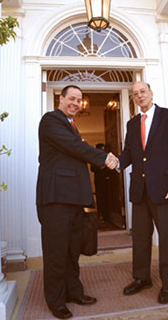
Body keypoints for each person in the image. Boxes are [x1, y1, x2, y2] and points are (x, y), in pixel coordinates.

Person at [36, 85, 117, 319]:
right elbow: (74, 147)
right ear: (60, 99)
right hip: (55, 200)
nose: (76, 103)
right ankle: (56, 300)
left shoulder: (71, 125)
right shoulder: (51, 120)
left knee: (72, 251)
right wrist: (104, 157)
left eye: (79, 100)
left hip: (72, 201)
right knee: (56, 253)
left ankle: (74, 292)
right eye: (71, 98)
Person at [116, 81, 168, 304]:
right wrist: (113, 162)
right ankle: (142, 278)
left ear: (151, 93)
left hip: (166, 191)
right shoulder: (131, 124)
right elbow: (129, 154)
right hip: (139, 191)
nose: (139, 96)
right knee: (140, 239)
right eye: (135, 94)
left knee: (166, 239)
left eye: (142, 92)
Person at [90, 143, 110, 222]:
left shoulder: (107, 157)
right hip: (99, 181)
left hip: (107, 182)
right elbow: (92, 169)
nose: (102, 150)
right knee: (100, 198)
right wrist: (101, 167)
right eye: (101, 149)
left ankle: (107, 216)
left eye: (103, 149)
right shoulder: (95, 158)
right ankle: (101, 214)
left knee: (107, 198)